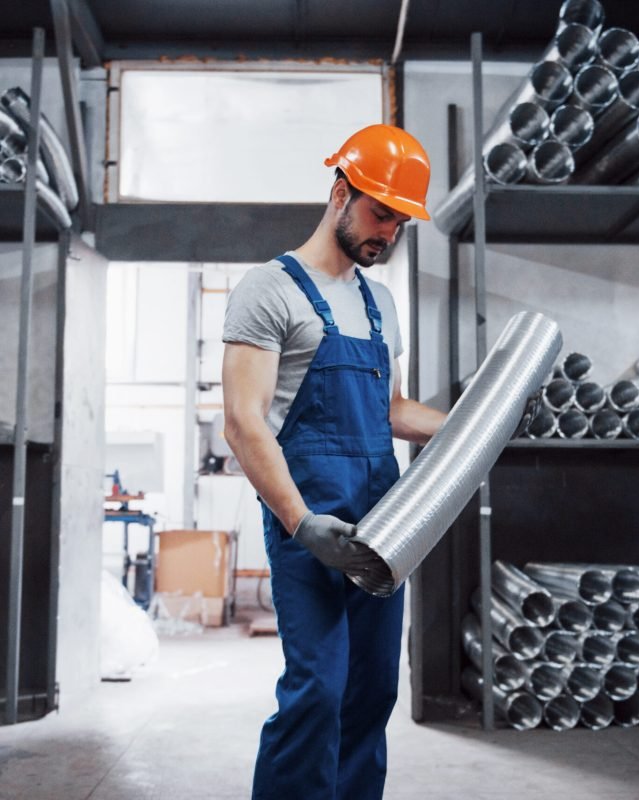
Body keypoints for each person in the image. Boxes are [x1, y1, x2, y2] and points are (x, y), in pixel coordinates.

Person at [221, 123, 446, 800]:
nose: (388, 234)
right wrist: (299, 522)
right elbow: (243, 420)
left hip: (385, 524)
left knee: (372, 691)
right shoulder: (269, 289)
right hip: (311, 524)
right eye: (381, 214)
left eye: (401, 223)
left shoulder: (380, 302)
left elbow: (391, 410)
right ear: (340, 193)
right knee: (318, 690)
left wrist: (471, 431)